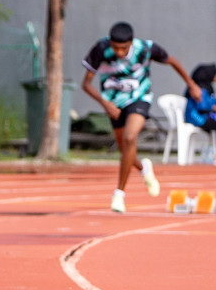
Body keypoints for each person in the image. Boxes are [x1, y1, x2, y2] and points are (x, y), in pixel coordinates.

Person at [80, 21, 201, 212]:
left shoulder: (145, 49)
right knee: (125, 150)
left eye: (124, 48)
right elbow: (85, 84)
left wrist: (192, 84)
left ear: (131, 43)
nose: (119, 53)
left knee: (130, 138)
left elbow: (173, 62)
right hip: (113, 103)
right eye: (115, 48)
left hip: (139, 98)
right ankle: (144, 168)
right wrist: (105, 104)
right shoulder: (101, 49)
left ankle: (119, 194)